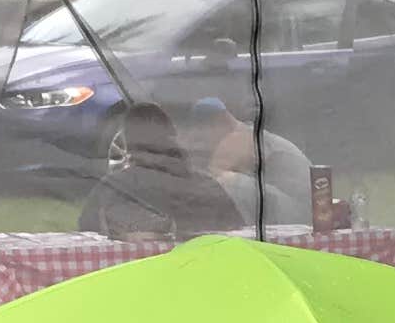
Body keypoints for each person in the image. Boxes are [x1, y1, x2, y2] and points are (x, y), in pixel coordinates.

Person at [76, 102, 242, 239]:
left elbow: (89, 237)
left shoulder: (113, 187)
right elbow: (236, 232)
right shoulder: (207, 185)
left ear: (128, 144)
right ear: (172, 135)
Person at [187, 95, 319, 230]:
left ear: (222, 120)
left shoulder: (240, 140)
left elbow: (214, 180)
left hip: (301, 217)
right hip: (291, 211)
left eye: (203, 129)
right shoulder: (247, 136)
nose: (201, 138)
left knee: (224, 179)